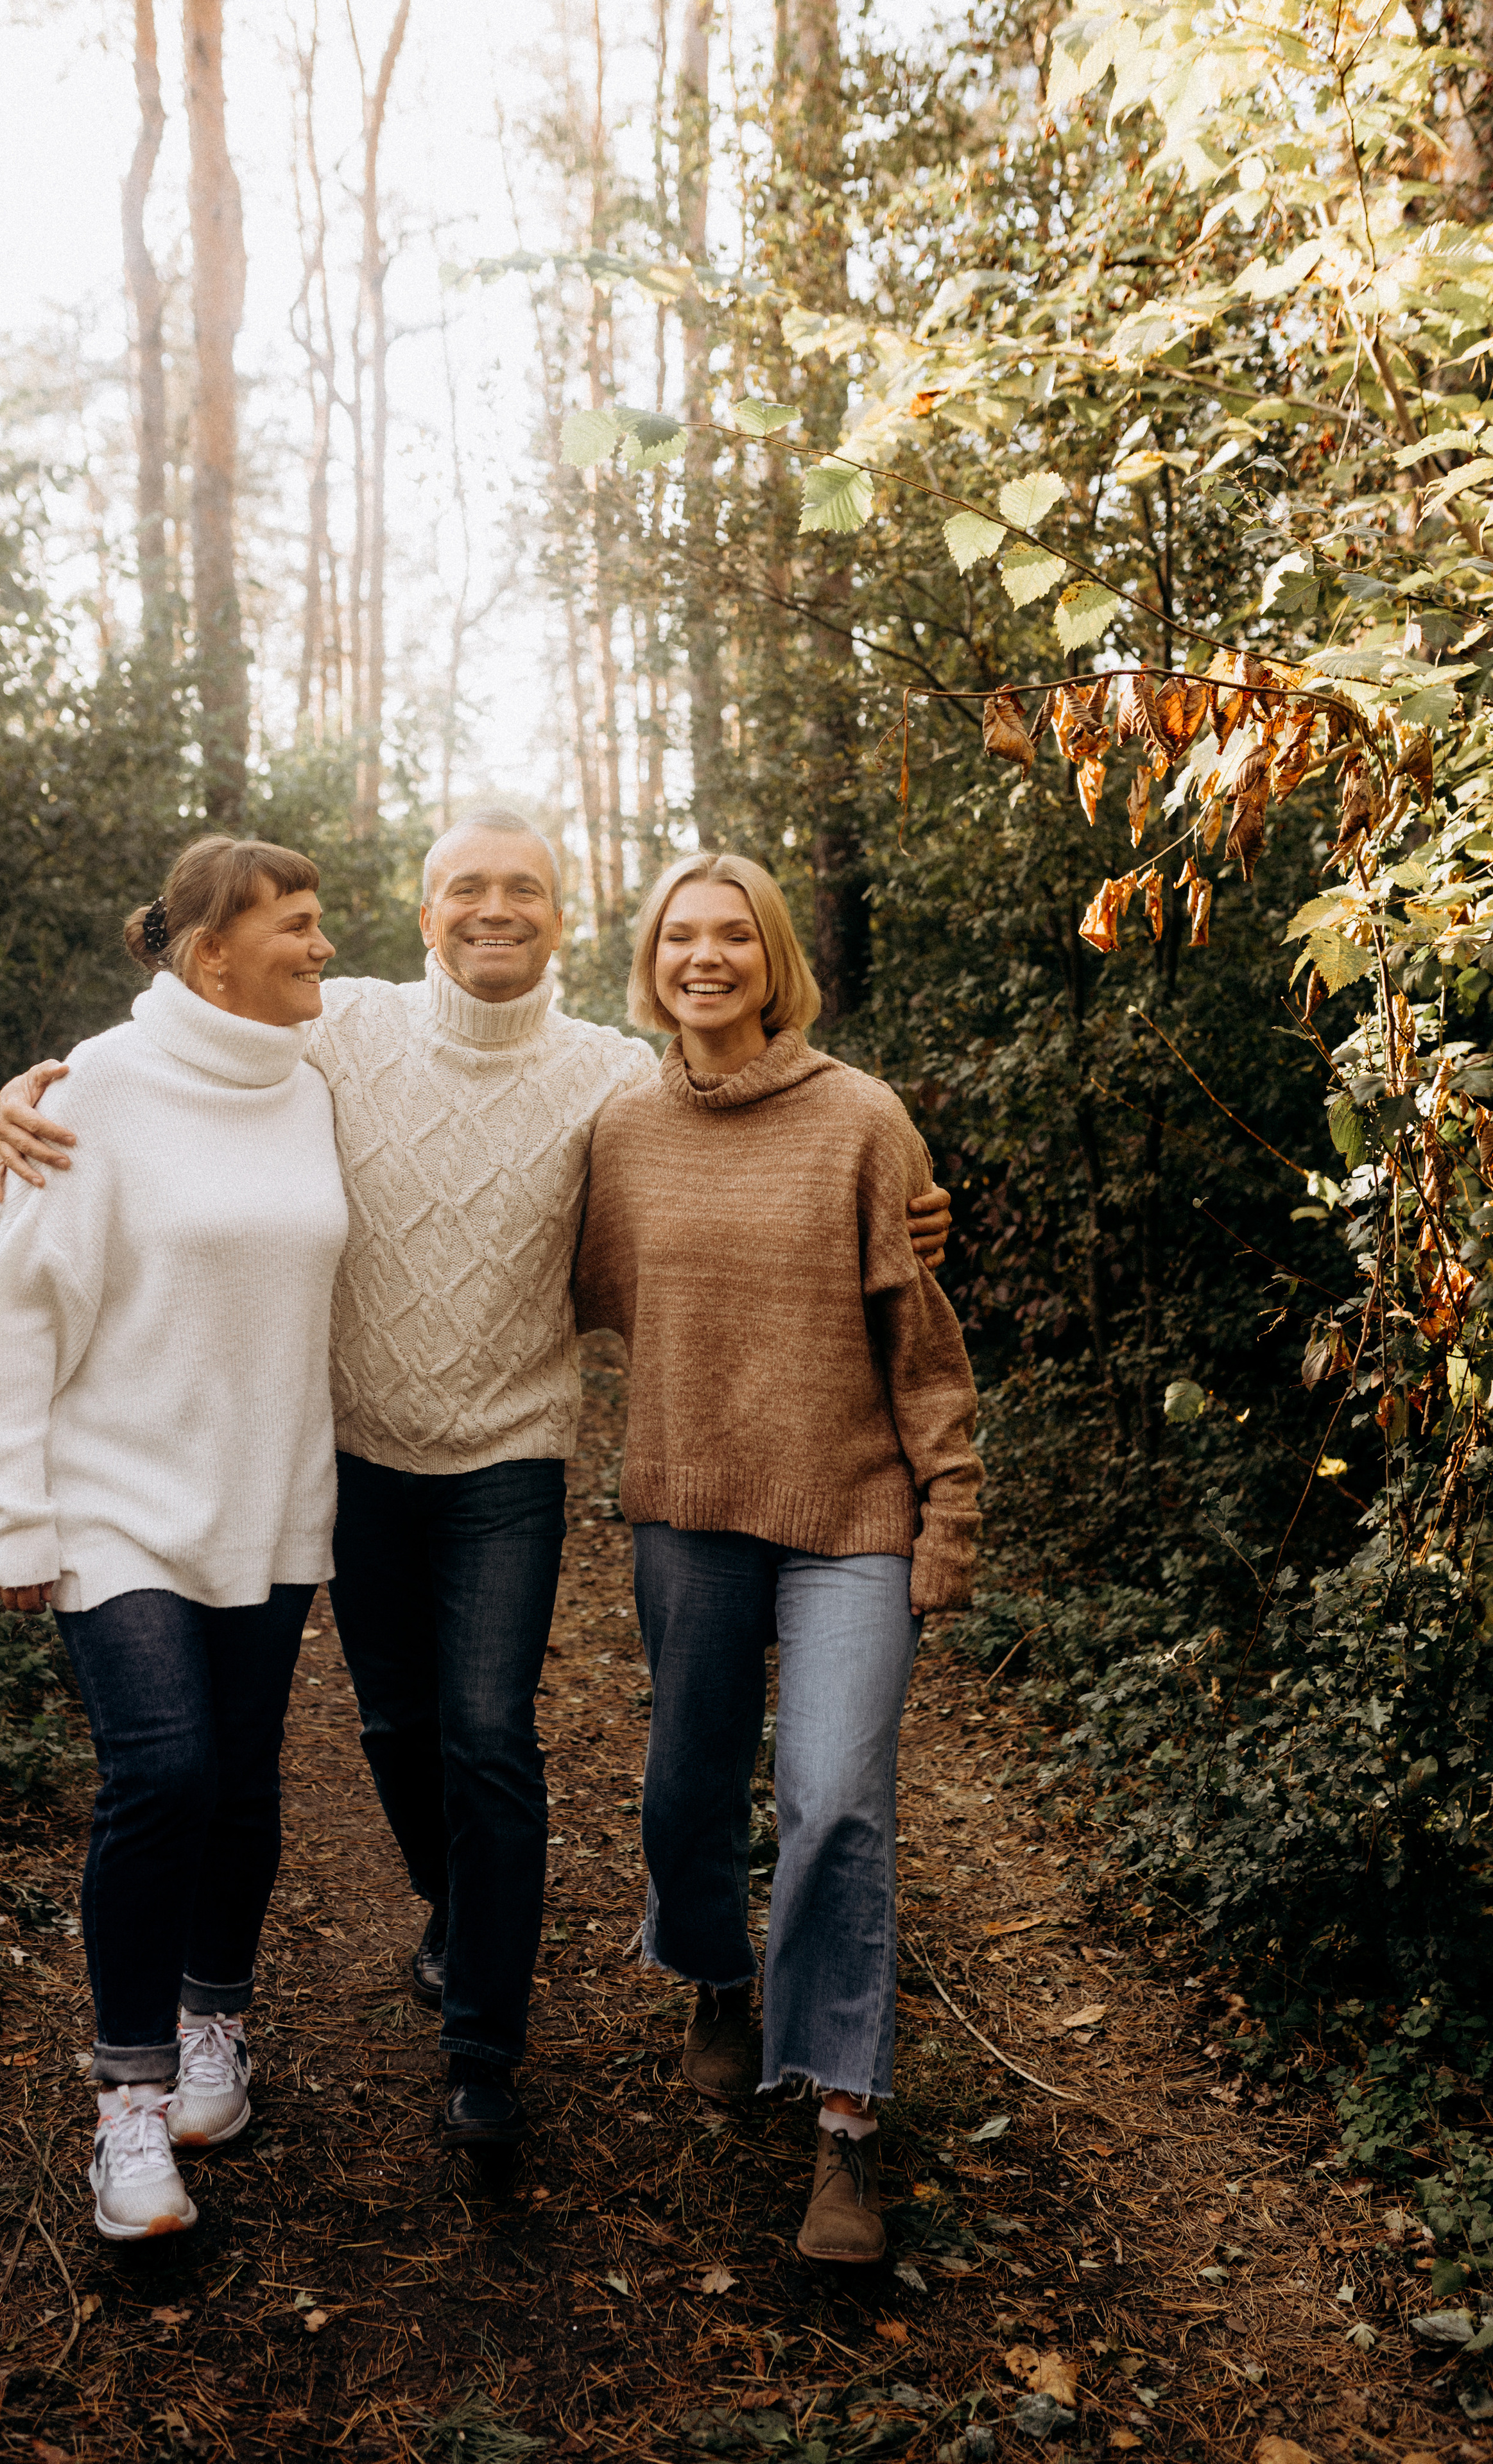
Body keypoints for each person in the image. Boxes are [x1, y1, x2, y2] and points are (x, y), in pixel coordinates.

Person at [0, 813, 955, 2154]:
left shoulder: (613, 1078)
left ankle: (482, 2051)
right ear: (425, 912)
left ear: (564, 921)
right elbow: (184, 1045)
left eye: (526, 890)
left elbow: (746, 1127)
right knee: (393, 1729)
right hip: (355, 1450)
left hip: (511, 1451)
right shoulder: (341, 1033)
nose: (495, 908)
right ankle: (453, 1915)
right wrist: (36, 1100)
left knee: (488, 1735)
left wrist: (904, 1204)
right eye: (465, 889)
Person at [573, 851, 981, 2265]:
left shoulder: (861, 1119)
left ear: (773, 956)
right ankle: (710, 1975)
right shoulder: (616, 1132)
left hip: (852, 1517)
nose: (703, 957)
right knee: (687, 1787)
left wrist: (951, 1508)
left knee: (831, 1803)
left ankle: (843, 2127)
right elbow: (570, 1288)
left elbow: (918, 1344)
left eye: (729, 935)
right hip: (688, 1506)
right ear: (649, 960)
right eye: (677, 936)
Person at [0, 837, 347, 2242]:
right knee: (164, 1772)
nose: (321, 946)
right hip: (114, 1493)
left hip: (269, 1493)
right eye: (296, 925)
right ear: (209, 946)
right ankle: (126, 2101)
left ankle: (213, 2025)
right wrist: (15, 1511)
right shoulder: (94, 1092)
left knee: (238, 1786)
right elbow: (16, 1306)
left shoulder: (320, 1072)